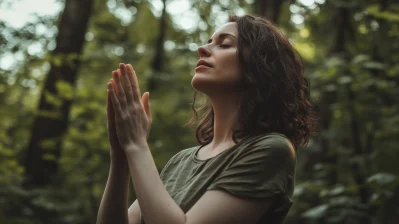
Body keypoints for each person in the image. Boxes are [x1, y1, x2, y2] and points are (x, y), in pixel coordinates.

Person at [97, 14, 317, 224]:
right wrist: (121, 155)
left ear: (260, 65)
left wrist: (137, 145)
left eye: (225, 44)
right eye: (209, 41)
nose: (202, 49)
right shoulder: (180, 162)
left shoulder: (271, 150)